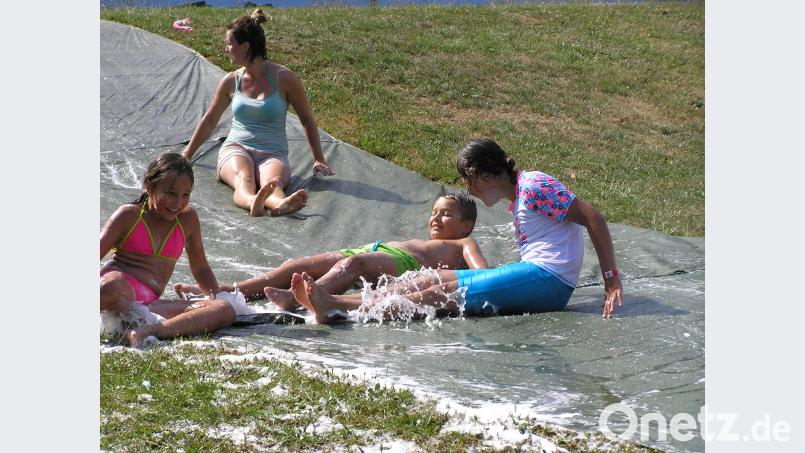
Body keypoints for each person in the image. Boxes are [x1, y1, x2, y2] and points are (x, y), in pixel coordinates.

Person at [288, 138, 624, 324]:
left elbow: (594, 219)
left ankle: (336, 306)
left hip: (550, 280)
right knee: (428, 280)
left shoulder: (534, 185)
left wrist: (610, 279)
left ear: (484, 176)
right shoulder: (521, 196)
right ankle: (335, 302)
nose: (468, 188)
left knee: (439, 295)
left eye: (468, 179)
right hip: (538, 275)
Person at [174, 194, 488, 310]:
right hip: (375, 249)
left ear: (466, 226)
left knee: (355, 263)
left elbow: (482, 274)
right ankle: (224, 291)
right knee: (295, 264)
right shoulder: (431, 239)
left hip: (402, 263)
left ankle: (305, 297)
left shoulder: (464, 243)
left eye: (446, 214)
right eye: (434, 212)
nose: (436, 218)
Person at [181, 8, 334, 217]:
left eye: (229, 44)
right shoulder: (231, 81)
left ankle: (280, 203)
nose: (226, 49)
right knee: (243, 179)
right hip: (236, 147)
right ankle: (254, 201)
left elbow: (306, 119)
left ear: (245, 47)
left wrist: (318, 158)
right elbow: (209, 120)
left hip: (272, 151)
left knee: (273, 183)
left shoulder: (284, 78)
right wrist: (187, 154)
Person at [100, 153, 240, 347]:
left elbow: (200, 268)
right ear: (149, 186)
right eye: (171, 194)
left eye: (186, 195)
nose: (178, 203)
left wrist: (215, 295)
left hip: (146, 307)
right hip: (116, 294)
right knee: (115, 285)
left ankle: (147, 331)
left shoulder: (188, 220)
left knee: (225, 309)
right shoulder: (129, 215)